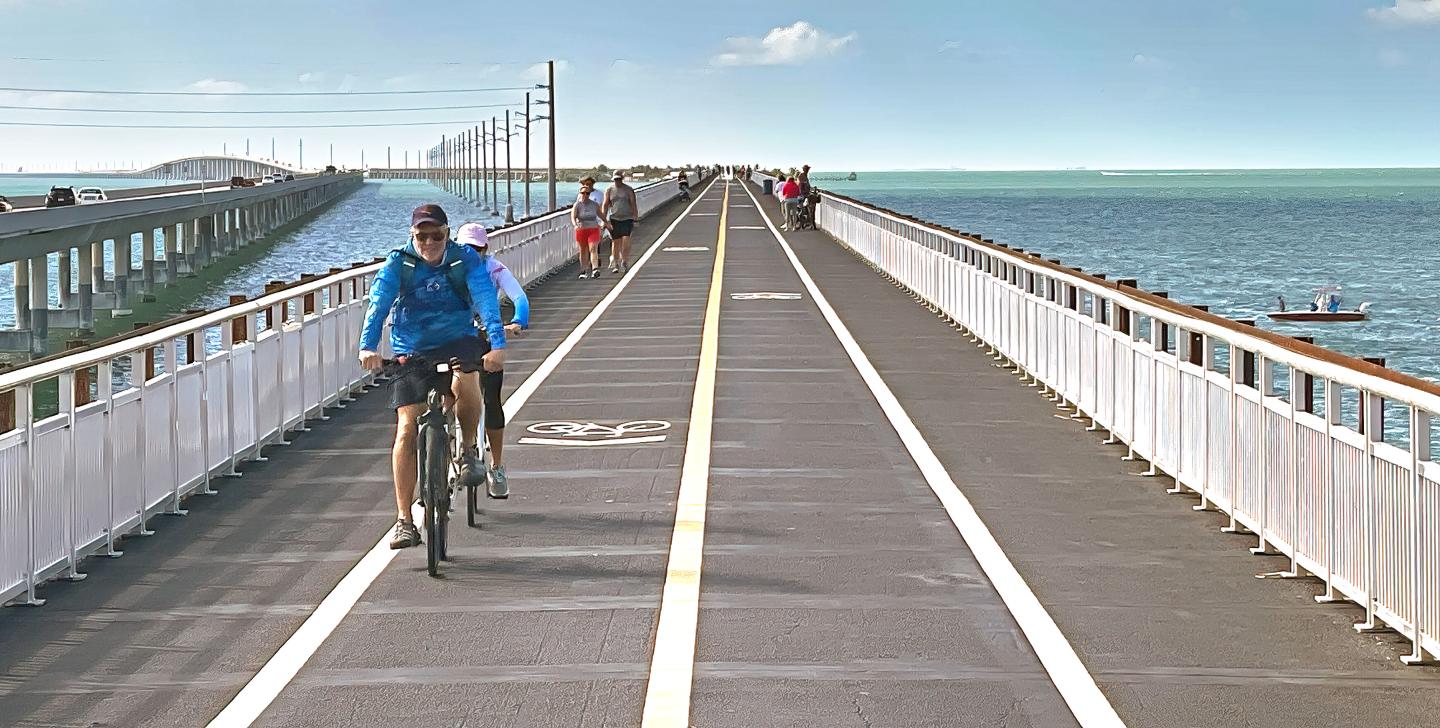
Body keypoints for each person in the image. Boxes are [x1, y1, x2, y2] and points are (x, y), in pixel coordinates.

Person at [358, 204, 507, 550]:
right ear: (413, 236)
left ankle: (469, 450)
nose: (429, 242)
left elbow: (485, 299)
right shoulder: (400, 262)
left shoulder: (463, 259)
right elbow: (379, 303)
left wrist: (496, 345)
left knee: (466, 379)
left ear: (447, 233)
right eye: (421, 236)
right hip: (412, 345)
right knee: (407, 429)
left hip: (458, 339)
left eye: (436, 235)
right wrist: (368, 347)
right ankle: (404, 520)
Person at [455, 223, 528, 499]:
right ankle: (449, 444)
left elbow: (519, 297)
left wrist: (518, 321)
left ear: (484, 249)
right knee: (451, 389)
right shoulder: (450, 268)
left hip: (487, 335)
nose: (469, 253)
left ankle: (496, 466)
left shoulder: (495, 269)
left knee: (491, 399)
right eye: (465, 248)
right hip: (458, 336)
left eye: (475, 248)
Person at [572, 177, 608, 279]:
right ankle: (583, 271)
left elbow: (601, 214)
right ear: (580, 193)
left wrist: (606, 223)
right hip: (581, 229)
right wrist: (575, 224)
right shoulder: (577, 204)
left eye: (587, 193)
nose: (585, 195)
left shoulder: (594, 204)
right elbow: (573, 216)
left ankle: (595, 269)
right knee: (583, 250)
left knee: (593, 248)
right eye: (583, 193)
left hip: (593, 228)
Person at [604, 171, 639, 274]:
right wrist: (604, 221)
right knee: (615, 242)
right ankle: (615, 262)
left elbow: (633, 204)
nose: (617, 181)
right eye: (615, 179)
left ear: (622, 179)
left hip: (627, 218)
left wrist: (635, 218)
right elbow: (605, 205)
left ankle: (624, 260)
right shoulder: (609, 190)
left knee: (626, 240)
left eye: (619, 179)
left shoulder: (628, 190)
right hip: (614, 219)